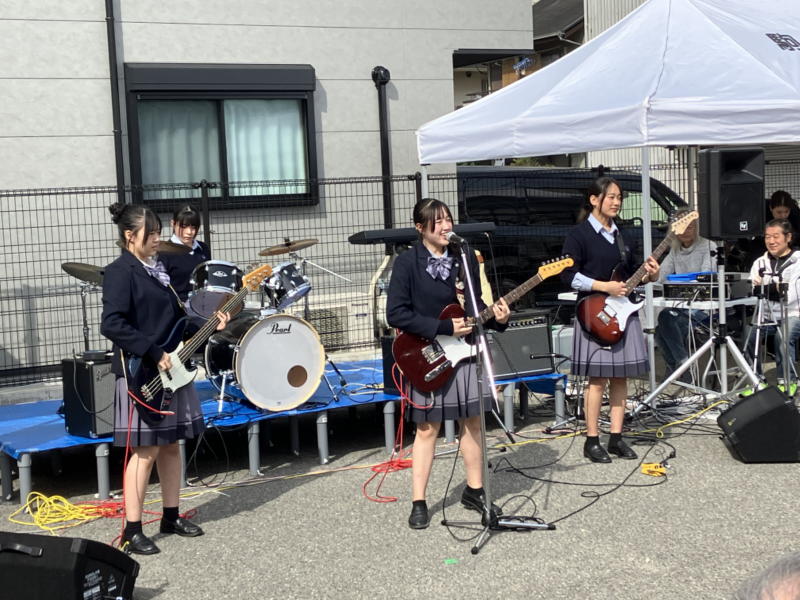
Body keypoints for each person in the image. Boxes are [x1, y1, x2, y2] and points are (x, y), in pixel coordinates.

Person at [101, 202, 229, 555]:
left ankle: (171, 516)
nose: (158, 239)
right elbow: (111, 323)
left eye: (159, 232)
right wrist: (153, 352)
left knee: (172, 445)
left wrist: (210, 324)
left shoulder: (158, 271)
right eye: (152, 233)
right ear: (130, 235)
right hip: (143, 372)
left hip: (172, 369)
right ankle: (131, 530)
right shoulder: (120, 272)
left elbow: (177, 321)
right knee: (145, 452)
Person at [386, 198, 510, 530]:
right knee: (428, 428)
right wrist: (442, 327)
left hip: (465, 350)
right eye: (437, 221)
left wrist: (498, 319)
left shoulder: (463, 255)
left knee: (473, 420)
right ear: (420, 227)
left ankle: (475, 489)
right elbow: (395, 313)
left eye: (448, 219)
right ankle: (419, 501)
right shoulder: (407, 262)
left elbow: (475, 305)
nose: (445, 226)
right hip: (426, 351)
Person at [561, 175, 659, 463]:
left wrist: (650, 275)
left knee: (620, 377)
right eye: (611, 197)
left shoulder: (621, 235)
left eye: (619, 197)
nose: (617, 202)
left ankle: (616, 437)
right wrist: (604, 286)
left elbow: (631, 276)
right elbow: (568, 275)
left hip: (623, 312)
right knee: (597, 379)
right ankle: (591, 440)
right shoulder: (578, 235)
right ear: (594, 200)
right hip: (594, 313)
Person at [655, 211, 716, 381]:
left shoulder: (709, 246)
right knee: (660, 330)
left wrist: (679, 282)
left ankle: (680, 367)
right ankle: (681, 367)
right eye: (682, 227)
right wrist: (649, 276)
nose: (686, 231)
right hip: (682, 306)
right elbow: (660, 275)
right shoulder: (675, 249)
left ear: (697, 227)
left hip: (704, 307)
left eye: (691, 227)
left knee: (665, 320)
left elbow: (706, 276)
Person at [748, 219, 800, 384]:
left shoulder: (797, 261)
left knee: (782, 337)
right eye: (767, 237)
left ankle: (788, 381)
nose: (771, 241)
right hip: (765, 315)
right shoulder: (759, 262)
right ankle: (756, 381)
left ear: (788, 237)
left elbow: (790, 296)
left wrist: (763, 288)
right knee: (748, 336)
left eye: (776, 236)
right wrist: (775, 288)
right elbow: (752, 291)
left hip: (793, 313)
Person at [158, 203, 211, 303]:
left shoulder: (203, 248)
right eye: (184, 226)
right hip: (178, 308)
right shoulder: (164, 253)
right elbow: (161, 290)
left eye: (193, 227)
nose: (189, 232)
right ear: (173, 224)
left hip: (204, 304)